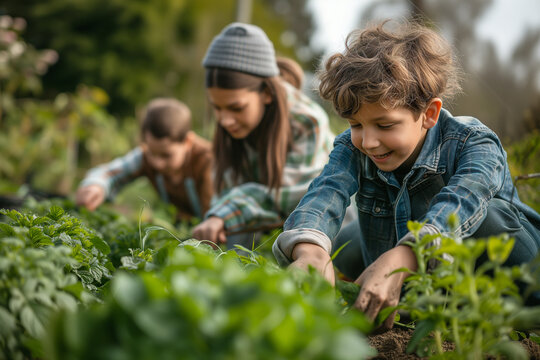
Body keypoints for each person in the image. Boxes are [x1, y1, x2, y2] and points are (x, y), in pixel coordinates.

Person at [272, 20, 540, 329]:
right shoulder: (352, 147)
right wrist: (310, 251)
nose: (368, 142)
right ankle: (397, 294)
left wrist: (404, 257)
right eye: (356, 125)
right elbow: (326, 192)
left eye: (384, 125)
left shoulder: (473, 142)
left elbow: (462, 203)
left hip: (505, 272)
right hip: (419, 271)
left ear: (429, 114)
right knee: (345, 241)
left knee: (489, 215)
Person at [192, 22, 334, 247]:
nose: (224, 120)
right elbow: (226, 191)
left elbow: (289, 198)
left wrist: (225, 213)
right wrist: (216, 220)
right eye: (217, 108)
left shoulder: (307, 122)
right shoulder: (232, 127)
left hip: (317, 225)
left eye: (236, 108)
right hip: (260, 222)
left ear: (266, 94)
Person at [76, 98, 214, 222]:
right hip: (185, 231)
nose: (157, 163)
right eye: (151, 153)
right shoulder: (144, 156)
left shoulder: (209, 159)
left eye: (166, 155)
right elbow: (112, 171)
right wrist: (96, 186)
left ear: (187, 141)